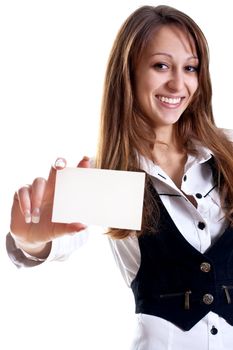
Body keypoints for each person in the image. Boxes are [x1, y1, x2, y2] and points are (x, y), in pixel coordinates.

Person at [6, 4, 233, 349]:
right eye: (161, 66)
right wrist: (31, 239)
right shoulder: (111, 172)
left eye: (191, 68)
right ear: (128, 72)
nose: (178, 83)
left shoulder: (228, 153)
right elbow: (56, 240)